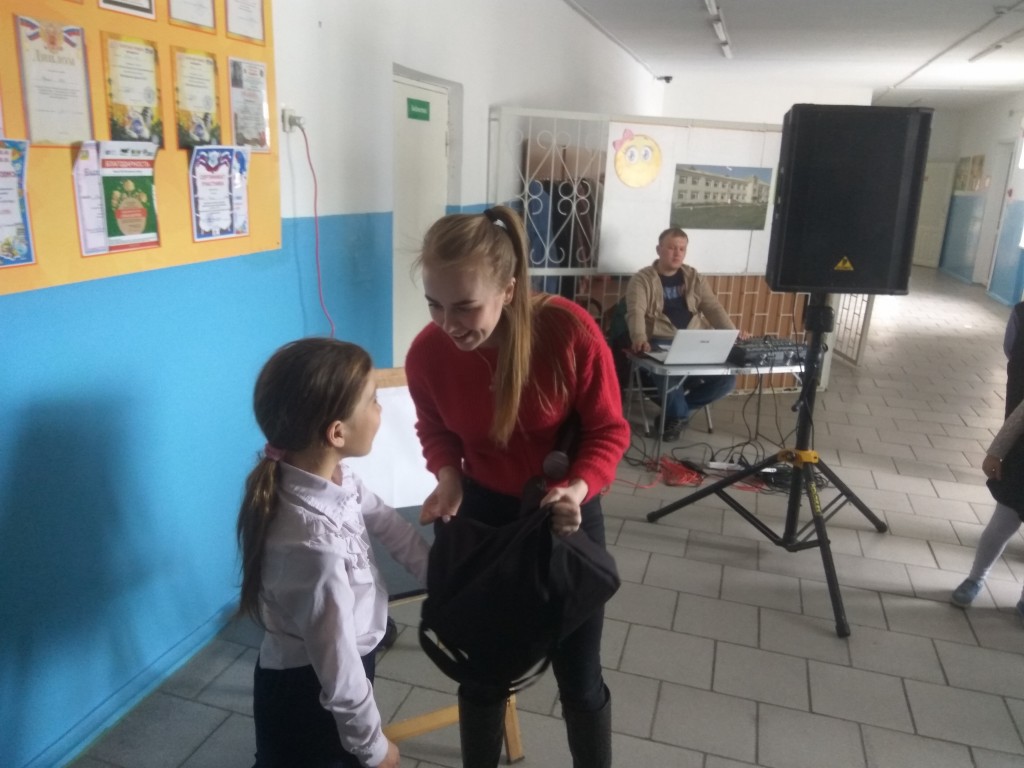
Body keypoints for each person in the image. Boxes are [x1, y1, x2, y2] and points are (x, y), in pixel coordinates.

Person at [405, 205, 630, 768]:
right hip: (485, 516)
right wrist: (449, 477)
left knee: (580, 677)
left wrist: (579, 489)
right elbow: (434, 429)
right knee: (483, 673)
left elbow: (608, 430)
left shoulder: (568, 331)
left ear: (509, 290)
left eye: (465, 306)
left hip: (565, 515)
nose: (448, 323)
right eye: (434, 304)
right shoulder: (427, 354)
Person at [237, 338, 430, 768]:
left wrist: (440, 577)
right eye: (373, 400)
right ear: (337, 432)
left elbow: (391, 527)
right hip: (308, 692)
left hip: (335, 669)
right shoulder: (312, 548)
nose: (381, 410)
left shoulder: (340, 479)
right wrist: (375, 748)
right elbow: (339, 674)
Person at [624, 227, 745, 441]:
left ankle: (675, 416)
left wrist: (732, 332)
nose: (677, 253)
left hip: (695, 340)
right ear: (659, 250)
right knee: (667, 373)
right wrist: (639, 338)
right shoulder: (642, 279)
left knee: (727, 381)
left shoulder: (694, 277)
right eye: (672, 248)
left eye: (682, 249)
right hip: (661, 340)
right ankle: (678, 415)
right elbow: (636, 311)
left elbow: (713, 308)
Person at [950, 398, 1024, 614]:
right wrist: (995, 453)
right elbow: (1017, 420)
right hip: (1021, 475)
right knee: (999, 528)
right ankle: (975, 578)